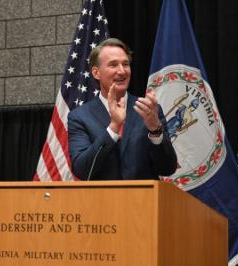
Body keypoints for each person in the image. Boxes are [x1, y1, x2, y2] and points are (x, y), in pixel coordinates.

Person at [67, 38, 177, 180]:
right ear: (96, 73)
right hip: (102, 201)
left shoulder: (148, 110)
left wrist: (155, 130)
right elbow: (82, 170)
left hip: (144, 200)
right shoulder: (80, 117)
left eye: (125, 64)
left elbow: (168, 168)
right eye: (113, 65)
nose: (122, 71)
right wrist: (113, 127)